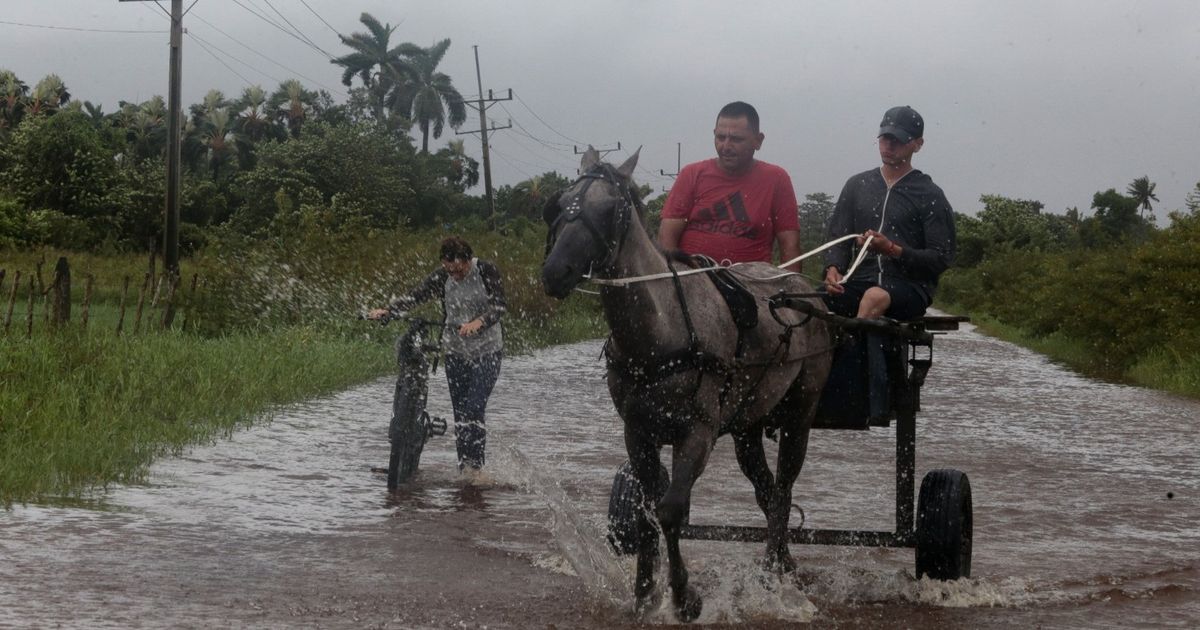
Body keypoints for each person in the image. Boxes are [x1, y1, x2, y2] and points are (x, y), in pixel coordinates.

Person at [368, 236, 505, 474]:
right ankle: (466, 470)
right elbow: (416, 296)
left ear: (467, 260)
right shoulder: (442, 276)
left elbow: (500, 306)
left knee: (474, 409)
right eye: (449, 270)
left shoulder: (485, 270)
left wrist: (479, 322)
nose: (455, 275)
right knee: (460, 414)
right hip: (455, 352)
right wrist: (388, 311)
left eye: (459, 270)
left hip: (487, 351)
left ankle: (477, 467)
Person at [823, 105, 956, 320]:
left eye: (898, 140)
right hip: (859, 280)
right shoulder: (857, 185)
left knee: (874, 297)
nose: (889, 146)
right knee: (806, 300)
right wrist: (833, 269)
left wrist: (893, 250)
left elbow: (940, 258)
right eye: (885, 138)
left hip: (910, 287)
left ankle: (853, 348)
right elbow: (838, 237)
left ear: (918, 144)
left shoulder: (930, 194)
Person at [658, 101, 803, 272]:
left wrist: (790, 295)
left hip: (751, 285)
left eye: (736, 139)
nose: (726, 146)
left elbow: (790, 245)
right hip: (692, 281)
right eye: (720, 138)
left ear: (758, 141)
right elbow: (667, 239)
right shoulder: (691, 174)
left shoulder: (777, 179)